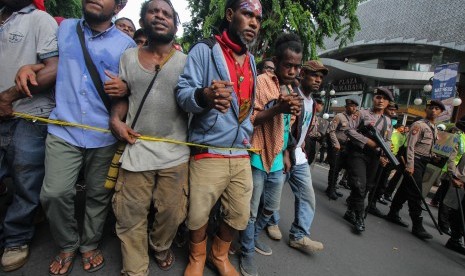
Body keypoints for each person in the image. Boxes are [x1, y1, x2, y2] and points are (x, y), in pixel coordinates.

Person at [16, 0, 136, 274]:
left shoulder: (127, 46)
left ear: (119, 6)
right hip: (63, 128)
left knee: (97, 195)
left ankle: (89, 244)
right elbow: (48, 63)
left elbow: (132, 90)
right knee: (54, 193)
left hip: (104, 135)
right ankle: (67, 243)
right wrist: (28, 68)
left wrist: (125, 87)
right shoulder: (64, 28)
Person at [176, 0, 262, 275]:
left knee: (240, 214)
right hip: (209, 147)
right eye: (247, 14)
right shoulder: (205, 49)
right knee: (198, 214)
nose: (253, 22)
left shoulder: (250, 60)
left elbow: (247, 102)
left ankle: (219, 254)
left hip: (240, 151)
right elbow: (182, 93)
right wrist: (205, 96)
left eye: (257, 19)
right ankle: (197, 257)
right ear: (230, 15)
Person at [109, 0, 188, 274]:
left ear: (175, 25)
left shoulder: (186, 62)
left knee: (172, 212)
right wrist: (116, 121)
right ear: (143, 21)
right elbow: (123, 98)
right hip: (136, 149)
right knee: (129, 214)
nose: (160, 16)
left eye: (167, 14)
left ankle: (159, 244)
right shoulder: (128, 58)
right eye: (153, 11)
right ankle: (135, 268)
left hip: (175, 154)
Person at [0, 0, 58, 271]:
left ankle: (15, 239)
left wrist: (8, 96)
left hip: (28, 115)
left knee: (26, 181)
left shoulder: (40, 19)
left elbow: (53, 68)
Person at [240, 33, 302, 276]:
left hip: (278, 157)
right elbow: (251, 119)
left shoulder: (294, 88)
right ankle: (246, 253)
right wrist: (278, 107)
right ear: (276, 61)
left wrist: (287, 153)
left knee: (270, 209)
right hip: (257, 153)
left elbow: (289, 125)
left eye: (297, 66)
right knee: (252, 210)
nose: (293, 70)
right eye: (288, 65)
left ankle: (252, 239)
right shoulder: (262, 81)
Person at [280, 60, 327, 254]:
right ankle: (256, 230)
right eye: (314, 75)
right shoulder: (292, 96)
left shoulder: (313, 103)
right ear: (302, 75)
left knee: (307, 196)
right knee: (268, 197)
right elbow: (283, 128)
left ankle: (299, 236)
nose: (317, 80)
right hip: (282, 154)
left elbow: (304, 130)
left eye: (320, 77)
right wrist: (285, 152)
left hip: (299, 157)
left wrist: (301, 149)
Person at [384, 100, 445, 240]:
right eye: (431, 108)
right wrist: (410, 165)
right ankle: (417, 224)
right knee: (416, 192)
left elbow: (427, 147)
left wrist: (434, 157)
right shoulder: (419, 125)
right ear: (426, 109)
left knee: (405, 189)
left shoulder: (434, 127)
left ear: (440, 112)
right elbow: (410, 146)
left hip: (424, 161)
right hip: (415, 161)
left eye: (437, 109)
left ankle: (393, 212)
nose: (434, 111)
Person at [343, 87, 393, 233]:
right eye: (378, 97)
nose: (380, 100)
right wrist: (367, 141)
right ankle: (359, 218)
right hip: (358, 152)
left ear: (388, 103)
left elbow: (388, 140)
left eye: (384, 99)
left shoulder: (388, 121)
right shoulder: (362, 113)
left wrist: (385, 154)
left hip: (375, 157)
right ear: (373, 98)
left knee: (367, 186)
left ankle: (351, 211)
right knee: (359, 185)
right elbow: (349, 130)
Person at [326, 98, 359, 199]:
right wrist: (336, 144)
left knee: (339, 168)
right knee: (334, 168)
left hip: (346, 146)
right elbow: (331, 131)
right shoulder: (339, 116)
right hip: (337, 145)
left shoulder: (353, 119)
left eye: (355, 107)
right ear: (346, 107)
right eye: (351, 106)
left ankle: (332, 188)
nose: (354, 108)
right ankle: (330, 190)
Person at [441, 115, 465, 255]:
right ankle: (455, 239)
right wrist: (453, 175)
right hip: (459, 178)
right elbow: (451, 157)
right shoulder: (458, 136)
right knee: (457, 209)